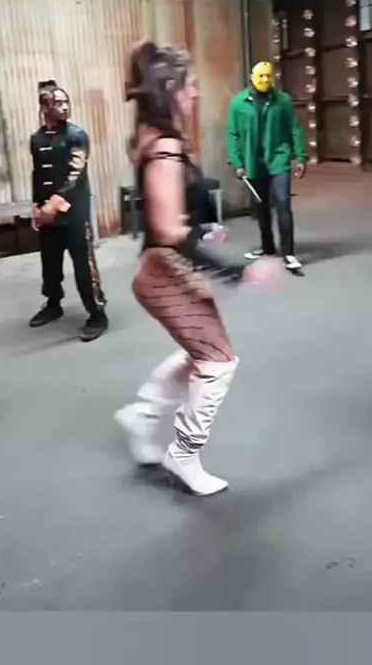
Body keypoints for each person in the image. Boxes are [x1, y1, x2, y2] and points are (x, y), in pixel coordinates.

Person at [114, 41, 279, 497]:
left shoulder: (153, 134)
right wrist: (236, 271)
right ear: (171, 89)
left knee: (202, 352)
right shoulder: (165, 144)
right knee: (219, 362)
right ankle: (183, 454)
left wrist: (202, 230)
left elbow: (170, 214)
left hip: (162, 268)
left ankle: (143, 415)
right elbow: (168, 227)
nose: (196, 93)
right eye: (189, 85)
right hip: (164, 272)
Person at [28, 81, 108, 342]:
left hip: (74, 214)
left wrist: (53, 205)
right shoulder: (37, 139)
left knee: (84, 266)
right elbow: (38, 175)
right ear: (45, 107)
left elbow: (75, 174)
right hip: (48, 215)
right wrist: (36, 207)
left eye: (66, 102)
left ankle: (97, 313)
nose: (64, 107)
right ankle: (53, 304)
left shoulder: (77, 135)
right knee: (50, 265)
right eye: (58, 103)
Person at [225, 61, 307, 271]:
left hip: (278, 159)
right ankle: (267, 247)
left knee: (283, 205)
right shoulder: (238, 103)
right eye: (261, 76)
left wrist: (300, 156)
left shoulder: (282, 100)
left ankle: (288, 253)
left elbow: (294, 128)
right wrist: (237, 162)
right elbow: (232, 134)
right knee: (260, 207)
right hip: (253, 162)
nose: (264, 80)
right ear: (252, 77)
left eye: (268, 76)